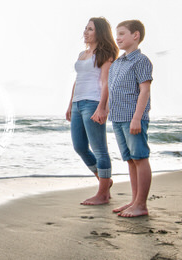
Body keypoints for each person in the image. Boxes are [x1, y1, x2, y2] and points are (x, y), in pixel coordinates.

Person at [66, 17, 119, 205]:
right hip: (78, 103)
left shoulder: (105, 53)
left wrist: (102, 107)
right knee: (79, 146)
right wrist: (70, 103)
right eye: (85, 28)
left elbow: (106, 83)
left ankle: (103, 193)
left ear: (100, 33)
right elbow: (78, 80)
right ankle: (105, 181)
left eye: (90, 29)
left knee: (99, 149)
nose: (86, 32)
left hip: (93, 102)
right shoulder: (82, 54)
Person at [108, 19, 154, 218]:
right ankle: (134, 200)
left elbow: (144, 91)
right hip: (118, 118)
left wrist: (137, 118)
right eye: (116, 34)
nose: (117, 38)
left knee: (140, 157)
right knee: (130, 160)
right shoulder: (117, 63)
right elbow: (111, 90)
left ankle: (141, 204)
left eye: (121, 34)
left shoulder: (141, 61)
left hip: (133, 118)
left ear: (135, 36)